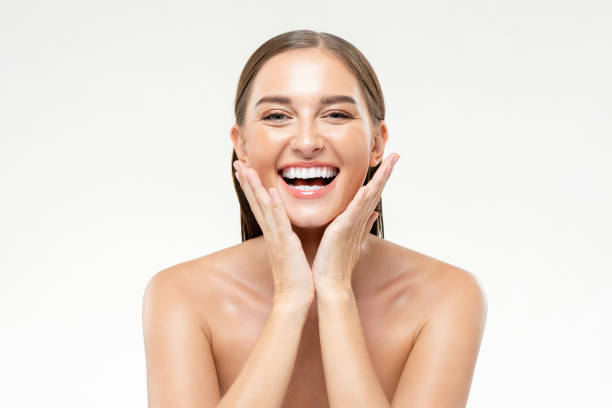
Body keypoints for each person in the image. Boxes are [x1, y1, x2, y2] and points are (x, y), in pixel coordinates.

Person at [142, 29, 487, 408]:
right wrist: (290, 301)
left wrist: (336, 291)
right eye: (277, 116)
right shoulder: (180, 294)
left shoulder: (447, 296)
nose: (307, 142)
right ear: (241, 144)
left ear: (377, 143)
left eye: (336, 114)